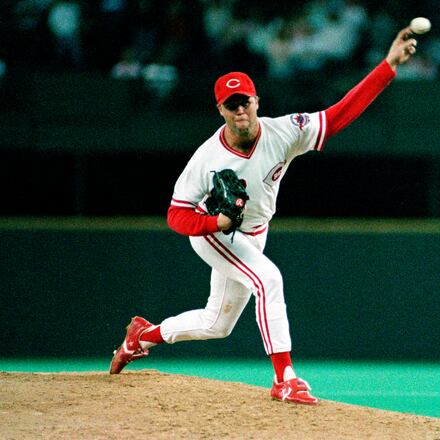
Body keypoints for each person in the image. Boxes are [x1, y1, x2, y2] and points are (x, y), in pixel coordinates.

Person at [109, 27, 419, 405]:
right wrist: (214, 224)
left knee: (216, 324)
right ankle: (284, 379)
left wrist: (387, 66)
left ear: (257, 100)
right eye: (231, 104)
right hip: (216, 232)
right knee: (269, 278)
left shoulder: (284, 131)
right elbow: (176, 215)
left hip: (253, 231)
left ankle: (141, 336)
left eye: (245, 101)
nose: (240, 109)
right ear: (220, 110)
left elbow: (337, 117)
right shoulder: (208, 158)